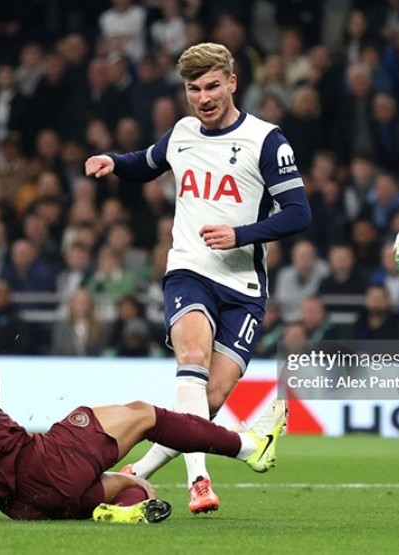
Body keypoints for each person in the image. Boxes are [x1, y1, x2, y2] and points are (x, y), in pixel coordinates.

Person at [0, 245, 287, 523]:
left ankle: (110, 513)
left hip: (23, 502)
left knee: (141, 491)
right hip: (39, 468)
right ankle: (249, 446)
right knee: (143, 414)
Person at [85, 42, 310, 514]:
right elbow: (144, 164)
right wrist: (112, 161)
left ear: (231, 82)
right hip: (189, 270)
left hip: (244, 288)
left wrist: (241, 234)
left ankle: (136, 473)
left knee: (207, 400)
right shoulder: (183, 133)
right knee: (191, 358)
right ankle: (200, 482)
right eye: (193, 89)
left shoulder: (266, 140)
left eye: (212, 86)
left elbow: (299, 214)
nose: (203, 97)